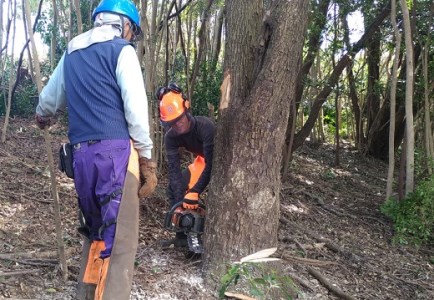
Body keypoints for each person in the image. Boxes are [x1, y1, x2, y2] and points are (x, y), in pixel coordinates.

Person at [35, 0, 157, 299]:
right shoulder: (121, 51)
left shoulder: (72, 52)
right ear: (124, 24)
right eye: (131, 29)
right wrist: (147, 158)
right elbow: (136, 111)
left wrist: (42, 115)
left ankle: (87, 294)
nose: (131, 36)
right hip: (115, 154)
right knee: (121, 241)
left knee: (96, 233)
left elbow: (49, 101)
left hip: (81, 158)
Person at [157, 82, 215, 248]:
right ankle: (182, 236)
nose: (177, 124)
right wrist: (179, 203)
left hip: (220, 162)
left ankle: (205, 231)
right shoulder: (171, 138)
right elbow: (174, 173)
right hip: (202, 160)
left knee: (196, 194)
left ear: (186, 109)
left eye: (179, 119)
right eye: (172, 122)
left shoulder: (206, 127)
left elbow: (212, 164)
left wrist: (195, 191)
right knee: (175, 188)